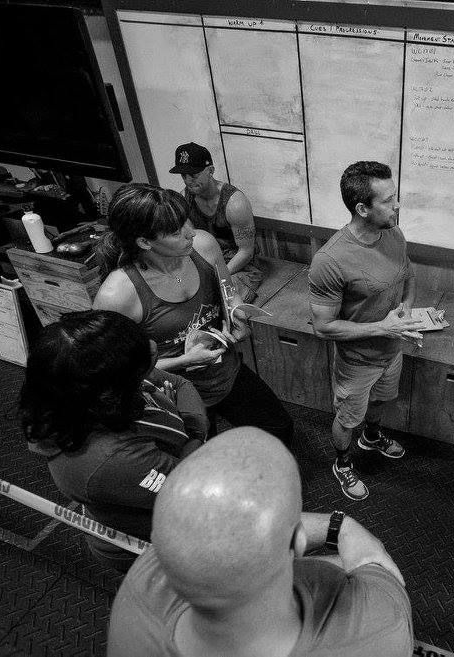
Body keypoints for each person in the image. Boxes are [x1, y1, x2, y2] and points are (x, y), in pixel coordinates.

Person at [107, 427, 413, 657]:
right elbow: (374, 565)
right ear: (299, 540)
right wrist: (341, 526)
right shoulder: (380, 628)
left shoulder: (139, 588)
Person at [94, 183, 293, 443]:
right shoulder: (117, 295)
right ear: (144, 241)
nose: (191, 233)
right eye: (176, 231)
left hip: (225, 370)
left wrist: (237, 314)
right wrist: (184, 360)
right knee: (199, 451)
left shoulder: (204, 245)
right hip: (173, 391)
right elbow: (119, 373)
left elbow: (228, 290)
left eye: (186, 221)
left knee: (279, 428)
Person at [19, 309, 207, 572]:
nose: (152, 347)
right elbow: (188, 485)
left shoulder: (83, 383)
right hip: (153, 547)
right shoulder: (109, 459)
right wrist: (195, 430)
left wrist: (186, 430)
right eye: (140, 371)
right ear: (108, 392)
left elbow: (180, 383)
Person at [309, 161, 425, 501]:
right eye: (388, 201)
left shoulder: (394, 233)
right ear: (362, 209)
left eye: (395, 196)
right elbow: (323, 326)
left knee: (383, 400)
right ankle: (343, 463)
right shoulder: (329, 260)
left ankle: (371, 437)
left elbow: (408, 274)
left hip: (391, 352)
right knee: (347, 419)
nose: (397, 205)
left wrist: (406, 307)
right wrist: (383, 327)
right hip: (357, 362)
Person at [170, 141, 265, 303]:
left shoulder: (235, 203)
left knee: (219, 297)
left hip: (239, 267)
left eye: (193, 175)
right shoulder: (184, 200)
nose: (188, 181)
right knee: (178, 291)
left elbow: (246, 252)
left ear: (210, 171)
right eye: (184, 176)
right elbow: (190, 243)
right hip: (206, 263)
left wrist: (218, 277)